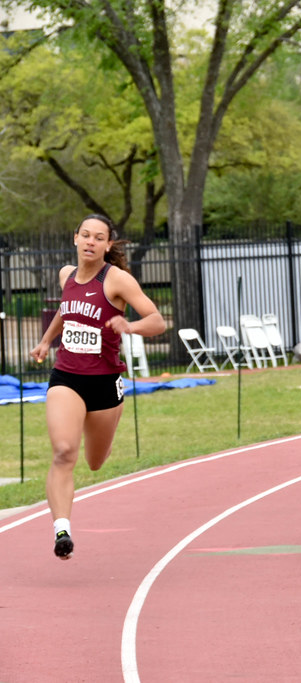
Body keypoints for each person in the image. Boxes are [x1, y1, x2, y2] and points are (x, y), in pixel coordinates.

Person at [29, 214, 167, 560]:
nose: (90, 241)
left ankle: (105, 428)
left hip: (104, 385)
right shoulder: (66, 275)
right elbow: (66, 310)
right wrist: (47, 341)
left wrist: (129, 326)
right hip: (67, 378)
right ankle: (62, 530)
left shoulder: (117, 279)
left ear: (108, 245)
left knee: (94, 462)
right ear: (75, 238)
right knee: (63, 452)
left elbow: (157, 320)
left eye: (98, 237)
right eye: (85, 235)